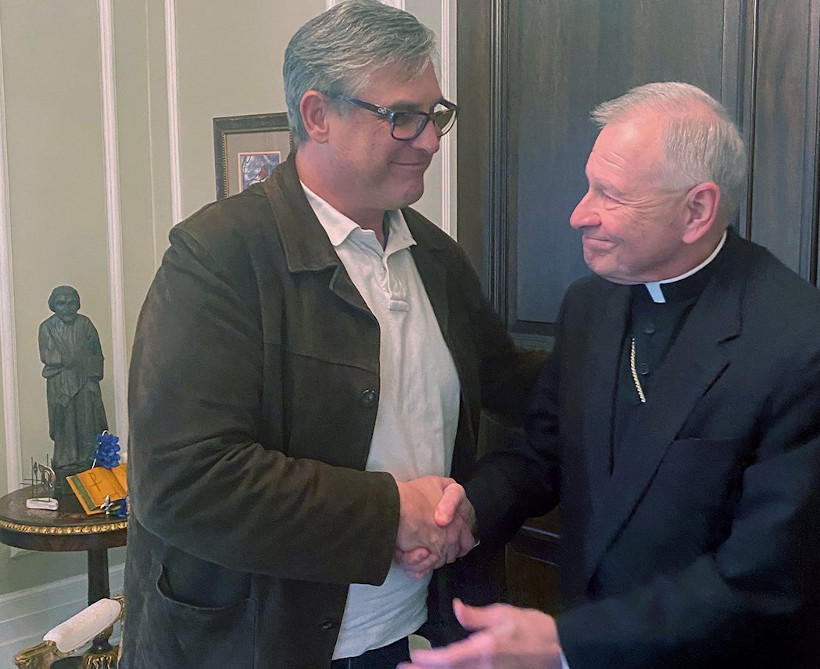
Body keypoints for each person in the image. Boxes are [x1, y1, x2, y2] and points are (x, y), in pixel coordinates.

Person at [401, 82, 820, 669]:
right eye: (589, 185)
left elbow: (767, 576)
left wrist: (566, 645)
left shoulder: (811, 344)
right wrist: (467, 510)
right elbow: (547, 452)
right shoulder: (589, 306)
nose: (580, 214)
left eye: (611, 195)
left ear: (696, 210)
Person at [121, 2, 539, 668]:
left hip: (405, 634)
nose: (430, 139)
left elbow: (516, 388)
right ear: (317, 115)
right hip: (252, 646)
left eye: (436, 115)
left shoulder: (436, 258)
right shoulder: (219, 256)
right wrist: (389, 513)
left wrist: (634, 354)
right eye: (403, 116)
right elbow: (184, 480)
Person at [38, 285, 108, 482]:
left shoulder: (85, 324)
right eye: (61, 303)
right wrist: (68, 360)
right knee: (65, 422)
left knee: (88, 419)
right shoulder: (47, 327)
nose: (67, 308)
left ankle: (87, 459)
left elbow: (96, 353)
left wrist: (89, 370)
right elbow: (48, 354)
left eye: (71, 303)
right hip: (61, 382)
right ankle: (66, 460)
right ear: (53, 306)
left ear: (77, 304)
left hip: (85, 380)